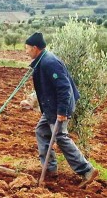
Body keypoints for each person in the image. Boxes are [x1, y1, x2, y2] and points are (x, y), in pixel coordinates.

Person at [25, 32, 98, 188]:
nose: (26, 52)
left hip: (58, 107)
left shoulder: (49, 62)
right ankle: (50, 169)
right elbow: (47, 88)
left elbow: (64, 88)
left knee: (61, 137)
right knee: (42, 131)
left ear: (35, 48)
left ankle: (87, 170)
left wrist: (62, 112)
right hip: (51, 107)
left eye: (27, 48)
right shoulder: (41, 61)